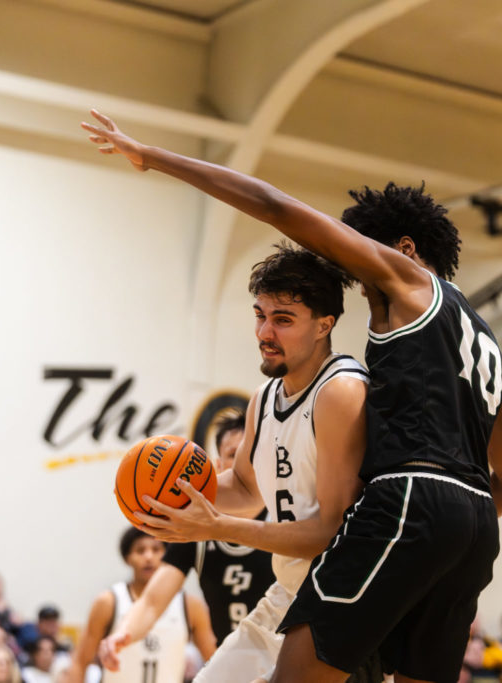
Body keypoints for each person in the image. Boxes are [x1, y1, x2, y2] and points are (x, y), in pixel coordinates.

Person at [82, 109, 502, 683]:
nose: (351, 263)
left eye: (359, 248)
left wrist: (155, 157)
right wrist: (441, 536)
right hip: (474, 526)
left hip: (410, 501)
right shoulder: (484, 341)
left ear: (404, 247)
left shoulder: (407, 285)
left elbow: (273, 204)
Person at [100, 245, 371, 683]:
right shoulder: (264, 398)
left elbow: (331, 533)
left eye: (283, 319)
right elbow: (245, 490)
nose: (265, 331)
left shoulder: (340, 392)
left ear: (325, 325)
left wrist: (217, 527)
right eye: (260, 315)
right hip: (289, 593)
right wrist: (168, 500)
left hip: (340, 599)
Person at [96, 409, 274, 652]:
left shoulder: (285, 515)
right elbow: (152, 601)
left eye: (251, 453)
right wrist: (123, 633)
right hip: (234, 658)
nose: (245, 463)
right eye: (234, 455)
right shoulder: (195, 528)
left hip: (286, 658)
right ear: (218, 466)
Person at [66, 528, 215, 683]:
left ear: (168, 557)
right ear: (127, 558)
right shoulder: (108, 601)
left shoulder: (190, 606)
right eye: (140, 550)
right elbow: (79, 662)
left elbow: (214, 660)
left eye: (156, 549)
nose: (149, 557)